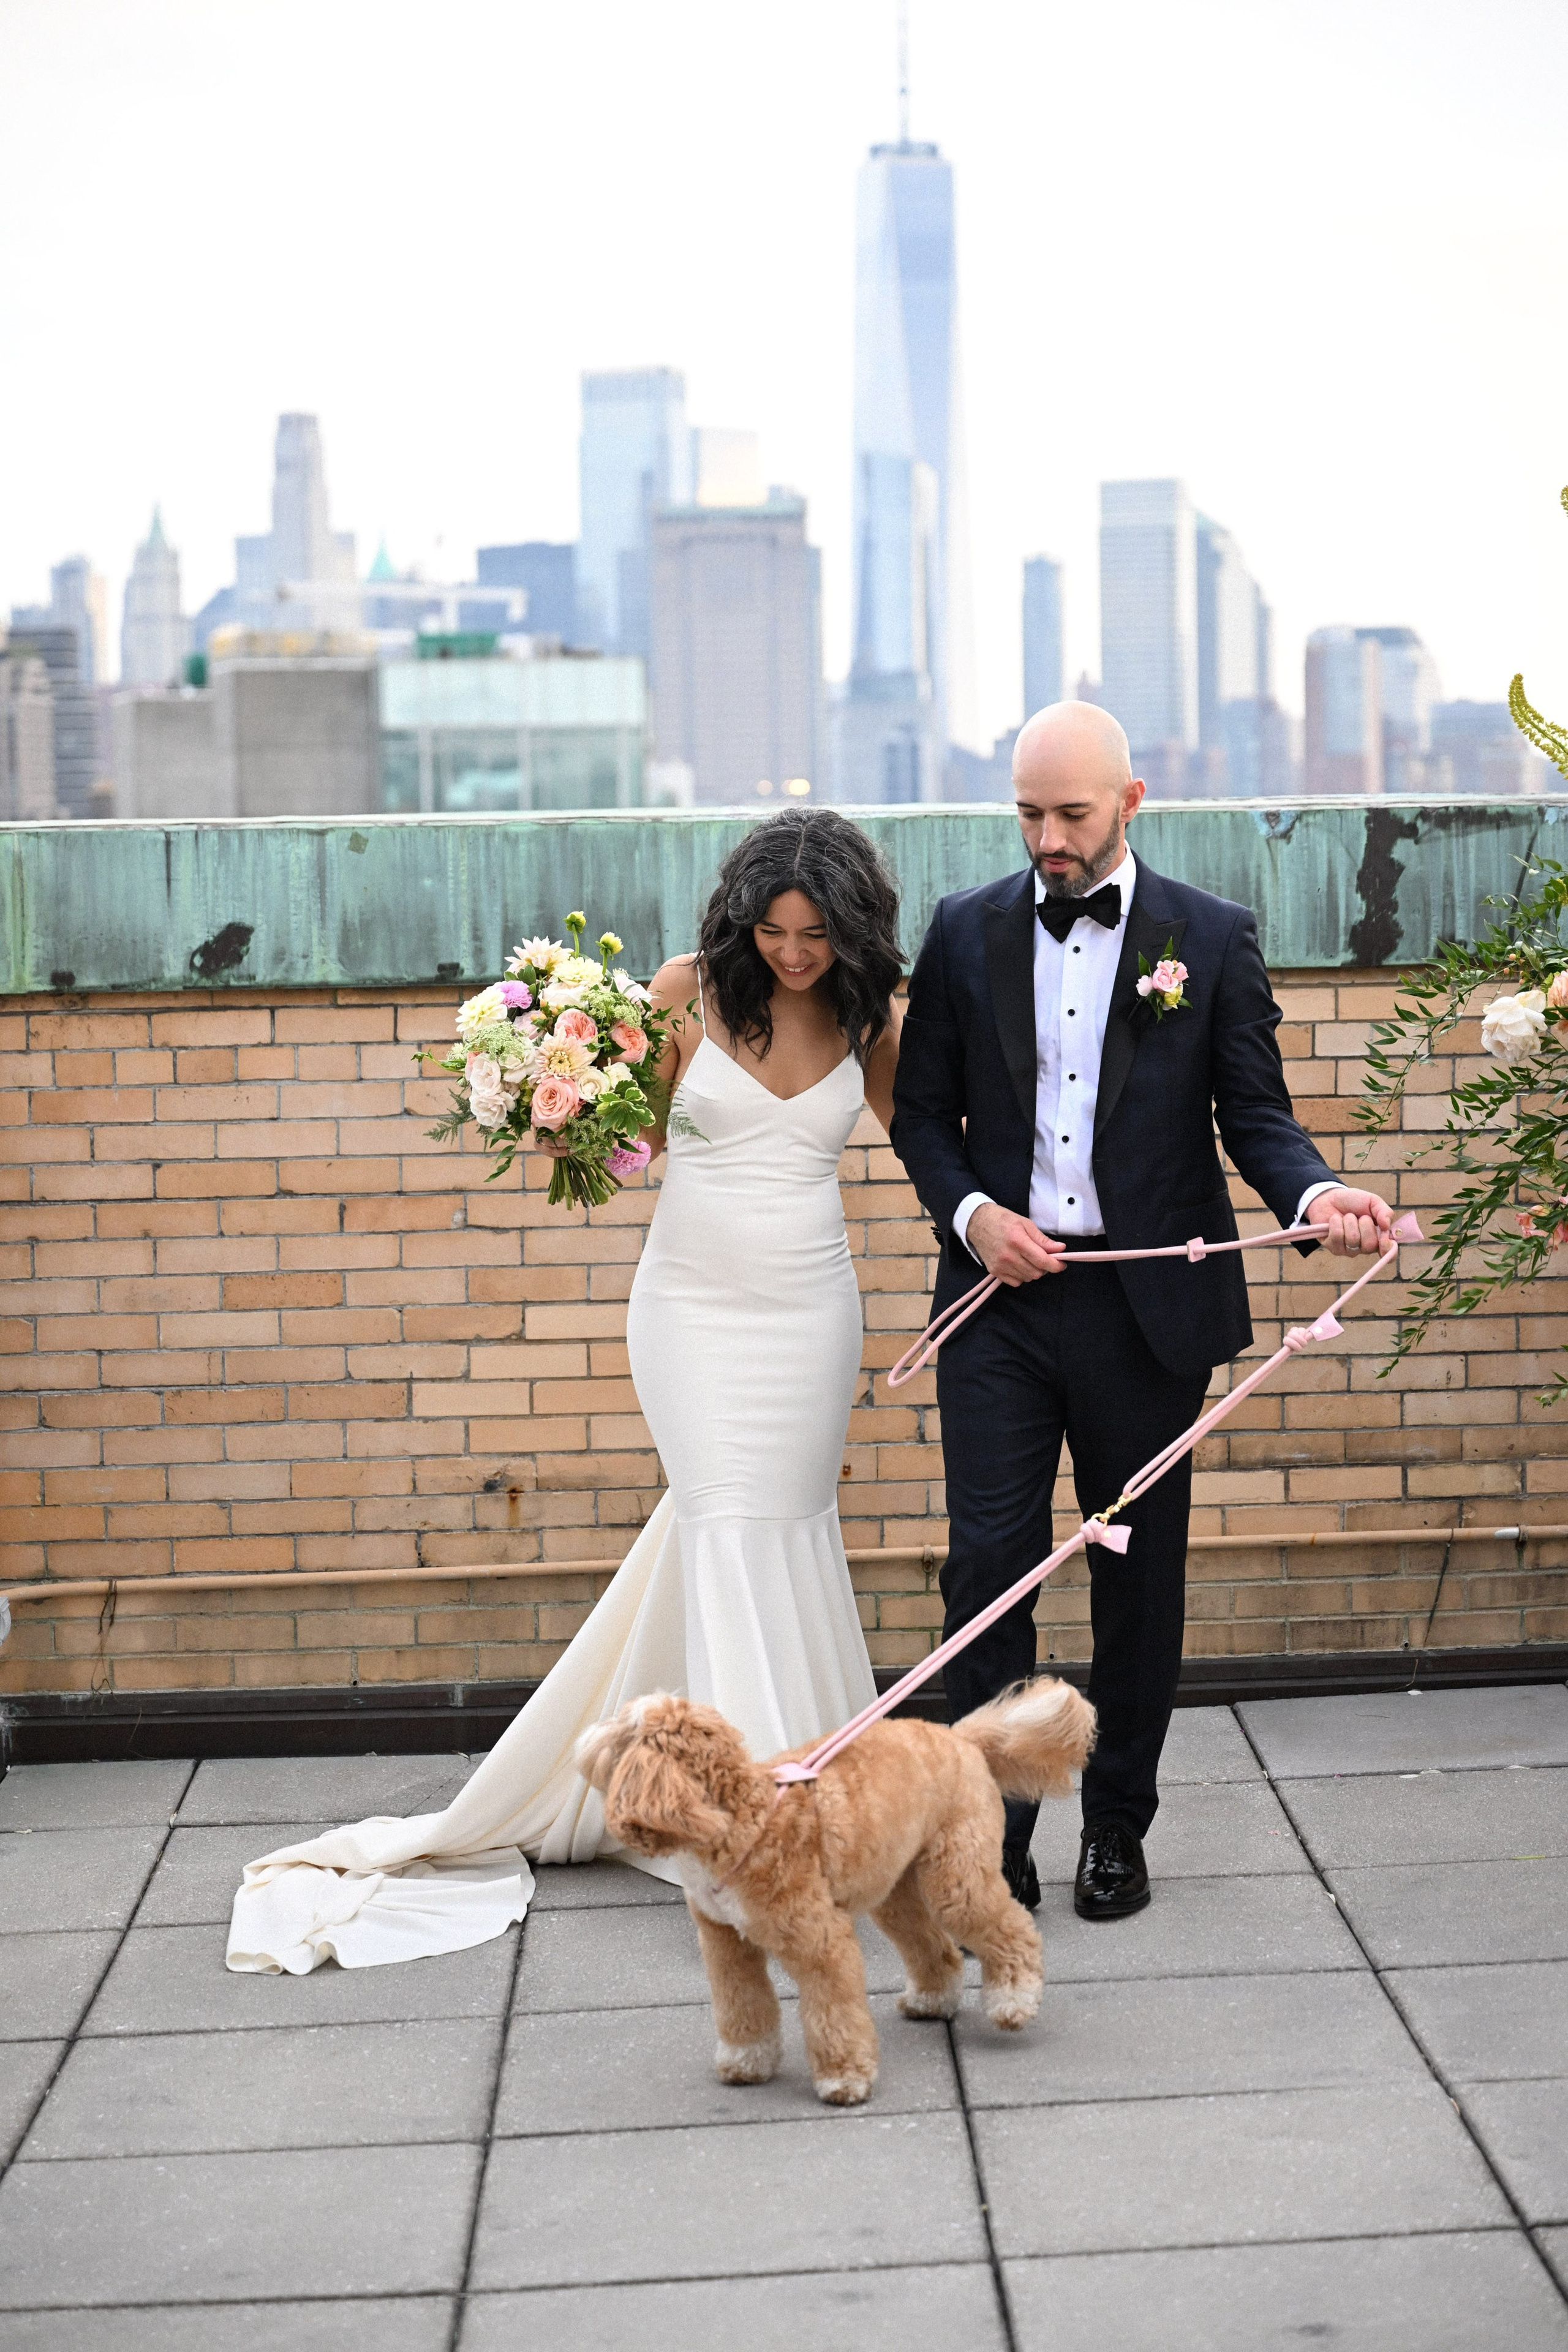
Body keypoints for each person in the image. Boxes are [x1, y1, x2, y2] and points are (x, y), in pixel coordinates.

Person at [227, 807, 905, 1972]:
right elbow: (611, 1153)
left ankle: (764, 1786)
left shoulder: (869, 1012)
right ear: (743, 921)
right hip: (690, 1313)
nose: (794, 954)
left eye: (816, 935)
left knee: (780, 1528)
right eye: (776, 930)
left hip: (811, 1312)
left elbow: (928, 1142)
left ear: (854, 929)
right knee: (730, 1523)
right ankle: (752, 1833)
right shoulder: (689, 991)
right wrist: (555, 1098)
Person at [891, 702, 1392, 1923]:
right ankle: (987, 1839)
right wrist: (972, 1222)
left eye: (1068, 815)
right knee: (989, 1573)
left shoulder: (1207, 939)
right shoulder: (961, 933)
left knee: (1137, 1578)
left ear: (1130, 800)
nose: (1047, 841)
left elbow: (1253, 1117)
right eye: (1026, 815)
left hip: (1146, 1316)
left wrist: (1317, 1194)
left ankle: (1114, 1827)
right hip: (999, 1312)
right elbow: (920, 1118)